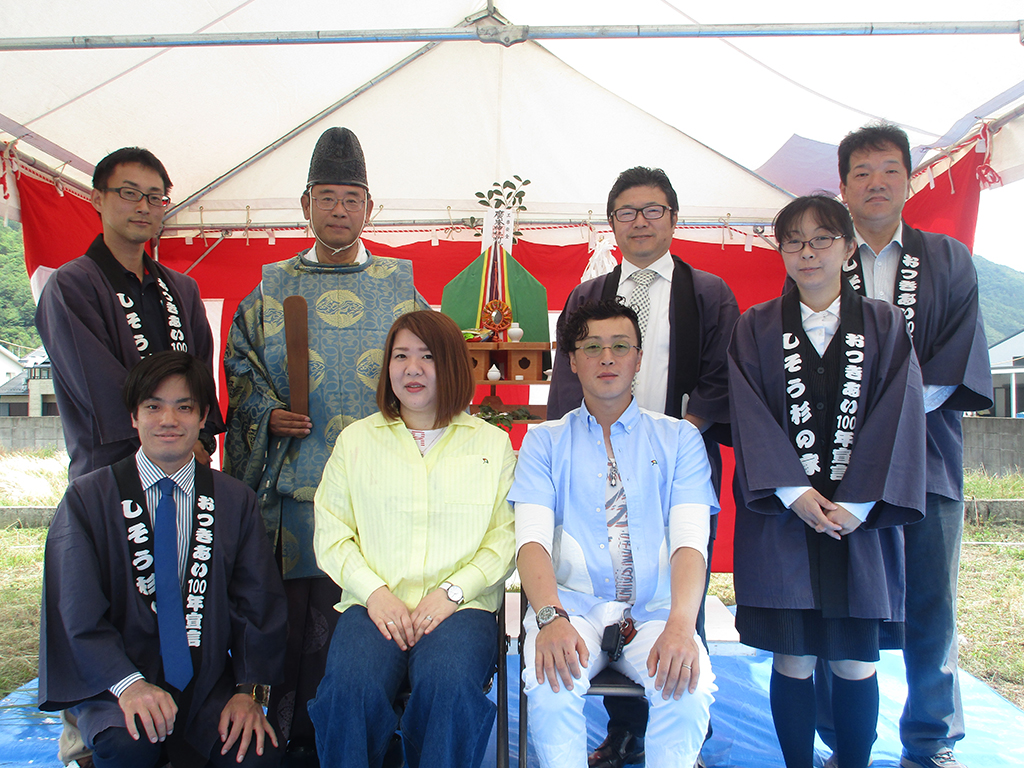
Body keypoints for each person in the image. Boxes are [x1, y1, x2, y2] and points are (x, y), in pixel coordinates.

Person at [223, 126, 429, 759]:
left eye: (352, 198)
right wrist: (267, 413)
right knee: (289, 620)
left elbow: (428, 370)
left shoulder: (402, 287)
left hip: (378, 496)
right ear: (305, 204)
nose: (340, 210)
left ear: (371, 208)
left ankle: (366, 738)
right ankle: (281, 739)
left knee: (365, 621)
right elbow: (241, 368)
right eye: (328, 197)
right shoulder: (270, 288)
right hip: (293, 491)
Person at [547, 167, 738, 768]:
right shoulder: (589, 297)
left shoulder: (708, 294)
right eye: (627, 212)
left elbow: (719, 380)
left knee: (677, 596)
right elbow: (564, 384)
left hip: (675, 466)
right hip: (597, 469)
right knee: (607, 596)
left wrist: (667, 445)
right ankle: (626, 730)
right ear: (611, 225)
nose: (640, 221)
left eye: (653, 210)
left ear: (675, 220)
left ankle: (682, 734)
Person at [816, 123, 993, 768]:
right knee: (844, 604)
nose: (876, 182)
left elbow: (954, 362)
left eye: (889, 169)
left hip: (929, 462)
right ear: (843, 187)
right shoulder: (823, 257)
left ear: (910, 180)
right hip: (838, 465)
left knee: (931, 602)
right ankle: (846, 740)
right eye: (861, 172)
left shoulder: (949, 259)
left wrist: (885, 423)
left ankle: (931, 739)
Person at [728, 195, 928, 768]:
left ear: (846, 247)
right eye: (794, 241)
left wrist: (861, 501)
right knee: (792, 657)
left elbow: (900, 410)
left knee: (853, 661)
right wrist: (793, 492)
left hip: (860, 521)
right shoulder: (757, 326)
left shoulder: (886, 325)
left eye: (821, 239)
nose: (808, 252)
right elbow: (750, 413)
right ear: (781, 251)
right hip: (786, 520)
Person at [39, 350, 287, 768]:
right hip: (118, 683)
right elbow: (75, 611)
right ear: (133, 416)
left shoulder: (234, 500)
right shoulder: (88, 498)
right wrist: (128, 685)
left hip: (208, 683)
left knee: (256, 756)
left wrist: (249, 693)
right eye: (153, 406)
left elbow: (258, 604)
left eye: (183, 407)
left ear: (204, 416)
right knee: (128, 745)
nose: (168, 420)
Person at [511, 298, 718, 768]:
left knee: (687, 688)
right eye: (592, 347)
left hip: (655, 614)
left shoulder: (679, 440)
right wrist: (549, 618)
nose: (607, 358)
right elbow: (531, 542)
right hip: (570, 609)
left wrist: (682, 627)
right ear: (572, 360)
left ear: (638, 358)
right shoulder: (545, 442)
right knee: (550, 687)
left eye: (620, 346)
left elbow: (691, 542)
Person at [308, 310, 515, 768]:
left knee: (448, 685)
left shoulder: (492, 444)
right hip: (373, 605)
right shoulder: (356, 441)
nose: (412, 368)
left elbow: (505, 537)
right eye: (400, 356)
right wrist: (374, 593)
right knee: (348, 689)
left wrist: (453, 592)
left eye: (427, 356)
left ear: (453, 366)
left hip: (460, 609)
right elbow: (332, 532)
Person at [35, 147, 221, 481]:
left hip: (185, 471)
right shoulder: (71, 286)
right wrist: (174, 436)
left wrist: (201, 439)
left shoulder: (182, 288)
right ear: (97, 198)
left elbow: (201, 374)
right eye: (129, 193)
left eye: (155, 198)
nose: (143, 207)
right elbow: (97, 385)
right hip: (109, 473)